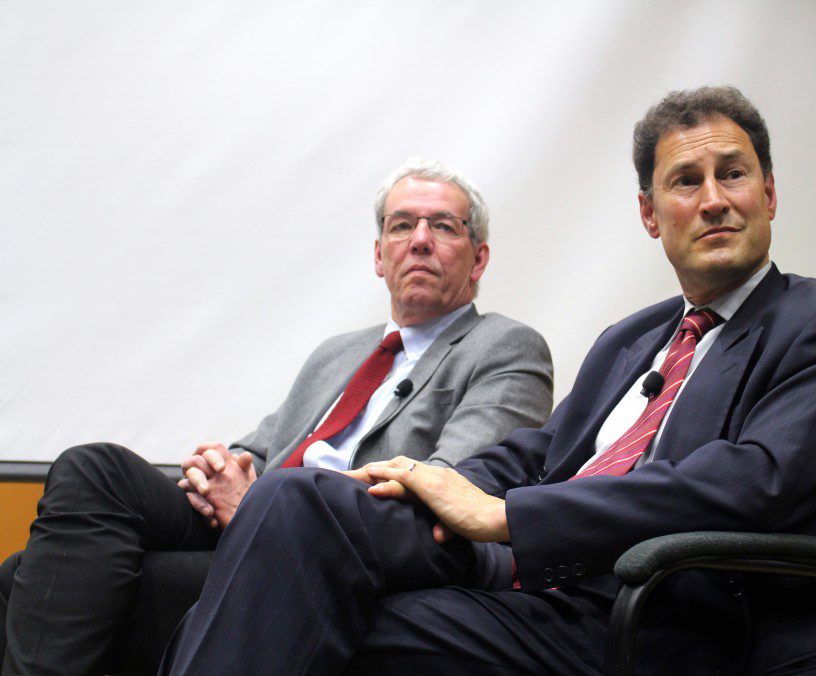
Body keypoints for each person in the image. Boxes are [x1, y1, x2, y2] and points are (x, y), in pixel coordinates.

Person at [161, 86, 816, 675]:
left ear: (768, 194)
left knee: (299, 614)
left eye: (732, 174)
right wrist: (419, 479)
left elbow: (751, 485)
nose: (712, 199)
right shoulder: (633, 339)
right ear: (650, 214)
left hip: (663, 614)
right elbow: (540, 455)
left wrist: (508, 519)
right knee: (295, 499)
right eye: (685, 181)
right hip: (540, 581)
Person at [0, 158, 554, 675]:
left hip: (336, 541)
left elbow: (447, 490)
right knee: (94, 471)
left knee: (33, 577)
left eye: (444, 227)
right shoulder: (339, 352)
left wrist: (262, 507)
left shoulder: (505, 348)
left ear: (478, 257)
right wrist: (215, 470)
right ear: (380, 254)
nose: (421, 241)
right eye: (402, 225)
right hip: (256, 511)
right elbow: (261, 451)